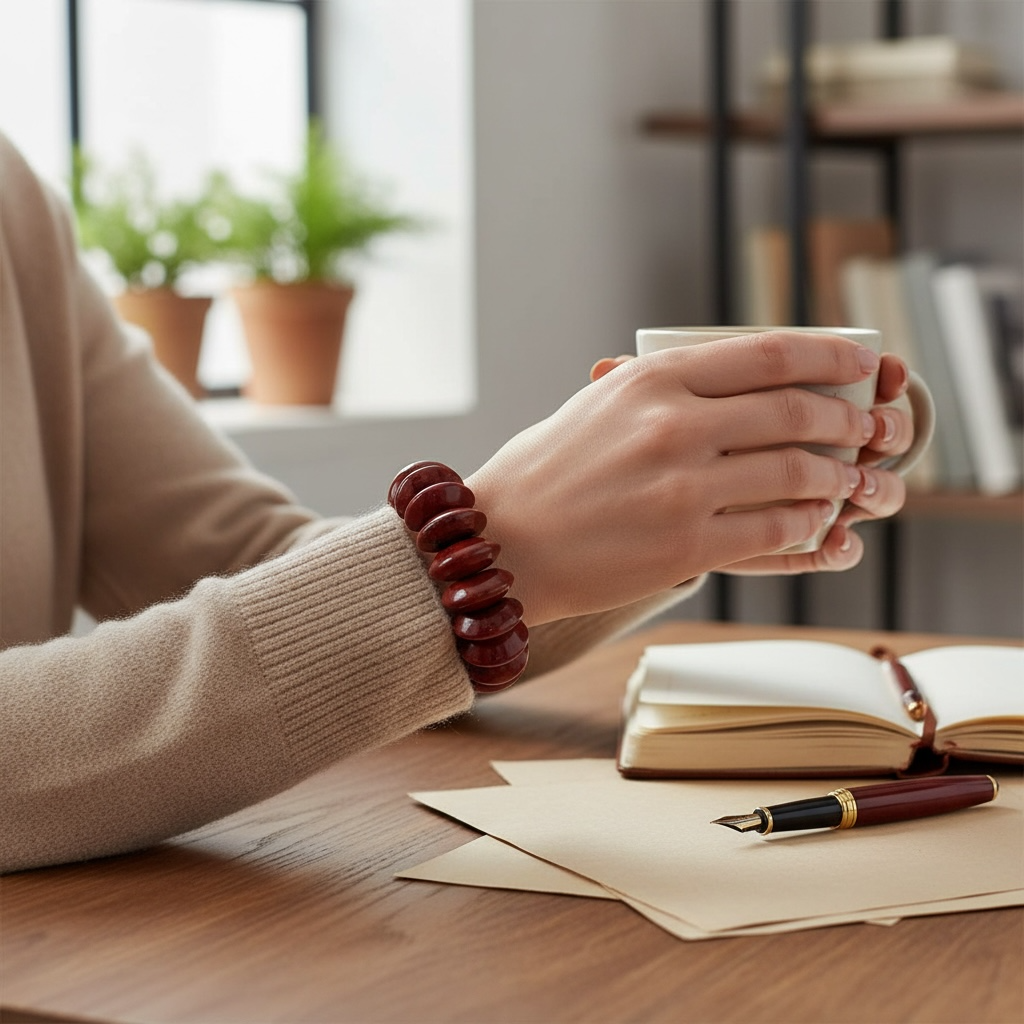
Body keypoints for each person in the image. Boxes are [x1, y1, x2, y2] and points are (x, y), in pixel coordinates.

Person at [0, 133, 913, 873]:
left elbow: (257, 558)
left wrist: (690, 505)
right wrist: (486, 556)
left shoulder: (14, 211)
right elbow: (393, 600)